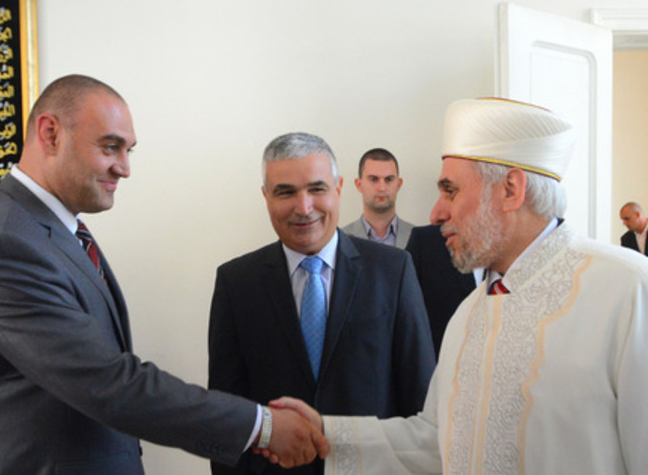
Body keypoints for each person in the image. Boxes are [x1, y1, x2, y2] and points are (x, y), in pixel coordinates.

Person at [0, 75, 328, 475]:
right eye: (110, 147)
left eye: (129, 150)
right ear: (50, 134)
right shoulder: (6, 245)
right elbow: (107, 382)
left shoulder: (51, 231)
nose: (124, 168)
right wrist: (261, 427)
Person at [269, 98, 648, 474]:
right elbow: (436, 442)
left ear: (511, 190)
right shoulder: (469, 314)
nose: (436, 213)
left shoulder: (629, 289)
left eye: (451, 191)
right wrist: (326, 433)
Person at [208, 132, 436, 475]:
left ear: (339, 189)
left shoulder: (393, 271)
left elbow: (421, 401)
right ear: (266, 197)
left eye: (317, 189)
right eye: (286, 192)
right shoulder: (236, 283)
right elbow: (227, 417)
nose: (304, 208)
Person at [404, 224, 478, 357]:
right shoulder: (425, 241)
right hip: (441, 361)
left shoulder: (515, 246)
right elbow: (406, 316)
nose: (435, 216)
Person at [342, 148, 413, 247]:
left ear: (398, 184)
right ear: (359, 185)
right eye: (373, 179)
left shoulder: (416, 236)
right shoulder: (340, 239)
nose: (382, 188)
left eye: (389, 179)